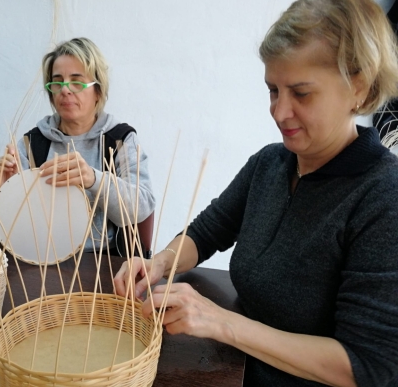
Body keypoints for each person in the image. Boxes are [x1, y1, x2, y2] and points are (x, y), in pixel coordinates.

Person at [114, 0, 398, 386]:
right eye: (272, 90)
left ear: (359, 89)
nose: (279, 112)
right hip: (237, 368)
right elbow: (209, 229)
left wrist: (221, 322)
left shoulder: (383, 196)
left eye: (301, 93)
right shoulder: (272, 163)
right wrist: (162, 262)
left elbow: (366, 366)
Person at [0, 37, 155, 253]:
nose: (65, 90)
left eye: (77, 81)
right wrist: (1, 191)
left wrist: (94, 179)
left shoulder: (119, 140)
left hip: (103, 262)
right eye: (57, 82)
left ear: (98, 91)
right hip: (41, 260)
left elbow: (143, 207)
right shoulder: (32, 143)